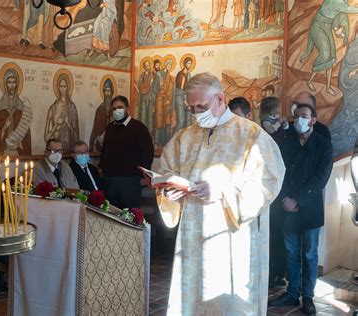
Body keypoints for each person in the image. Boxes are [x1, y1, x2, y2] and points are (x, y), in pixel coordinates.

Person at [156, 73, 285, 314]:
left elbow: (270, 178)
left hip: (231, 239)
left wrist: (223, 191)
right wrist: (170, 190)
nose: (196, 113)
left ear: (220, 98)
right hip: (192, 238)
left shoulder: (251, 135)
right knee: (191, 302)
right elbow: (167, 170)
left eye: (202, 107)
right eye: (192, 108)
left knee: (229, 304)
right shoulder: (184, 137)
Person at [268, 103, 333, 314]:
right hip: (288, 208)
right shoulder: (288, 144)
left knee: (310, 255)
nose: (299, 120)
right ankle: (291, 292)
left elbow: (320, 178)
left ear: (313, 119)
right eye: (296, 116)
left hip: (309, 208)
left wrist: (297, 200)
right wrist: (286, 198)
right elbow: (280, 171)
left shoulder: (323, 145)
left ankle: (308, 297)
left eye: (304, 116)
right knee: (292, 254)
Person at [99, 95, 154, 209]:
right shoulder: (109, 128)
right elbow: (105, 150)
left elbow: (148, 153)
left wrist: (144, 177)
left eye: (120, 107)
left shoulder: (139, 127)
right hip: (110, 181)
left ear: (127, 109)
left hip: (131, 181)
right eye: (114, 108)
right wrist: (102, 169)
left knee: (130, 217)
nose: (116, 110)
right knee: (111, 215)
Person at [0, 67, 32, 156]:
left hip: (17, 153)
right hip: (2, 153)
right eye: (9, 82)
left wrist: (20, 140)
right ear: (5, 84)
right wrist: (4, 128)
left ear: (17, 84)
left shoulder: (21, 107)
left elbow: (27, 135)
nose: (12, 86)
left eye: (14, 82)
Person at [44, 73, 79, 152]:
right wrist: (57, 125)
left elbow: (77, 137)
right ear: (58, 88)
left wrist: (68, 124)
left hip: (70, 150)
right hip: (55, 151)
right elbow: (46, 138)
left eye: (65, 86)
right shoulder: (53, 108)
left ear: (68, 87)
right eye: (61, 86)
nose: (63, 89)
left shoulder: (72, 107)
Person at [89, 78, 114, 153]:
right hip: (101, 142)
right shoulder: (100, 109)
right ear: (103, 92)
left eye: (109, 91)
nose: (107, 93)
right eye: (106, 91)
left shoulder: (115, 110)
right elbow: (95, 129)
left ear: (112, 92)